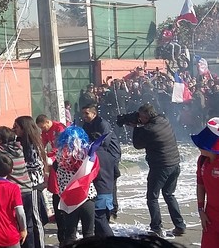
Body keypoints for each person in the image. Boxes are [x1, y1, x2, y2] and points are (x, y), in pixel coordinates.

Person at [129, 103, 186, 237]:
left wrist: (136, 127)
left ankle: (156, 228)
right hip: (174, 164)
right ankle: (180, 225)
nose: (140, 119)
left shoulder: (149, 129)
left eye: (142, 117)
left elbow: (137, 144)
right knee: (169, 194)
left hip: (161, 166)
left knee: (152, 197)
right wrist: (141, 124)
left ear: (147, 116)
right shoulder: (164, 120)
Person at [80, 104, 121, 237]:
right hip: (97, 154)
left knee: (108, 183)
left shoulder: (103, 124)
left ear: (94, 113)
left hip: (109, 154)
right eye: (83, 114)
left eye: (87, 113)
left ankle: (111, 209)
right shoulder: (85, 125)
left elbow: (104, 142)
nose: (84, 116)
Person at [55, 126, 97, 245]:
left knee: (70, 234)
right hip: (87, 196)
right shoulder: (88, 155)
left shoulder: (60, 156)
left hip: (69, 199)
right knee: (89, 234)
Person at [12, 116, 47, 248]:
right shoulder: (19, 141)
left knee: (35, 217)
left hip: (33, 185)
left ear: (24, 128)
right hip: (24, 185)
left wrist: (18, 165)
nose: (14, 129)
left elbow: (37, 164)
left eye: (16, 126)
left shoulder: (32, 144)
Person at [192, 118, 219, 247]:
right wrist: (200, 209)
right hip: (210, 216)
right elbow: (200, 184)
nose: (199, 146)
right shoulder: (202, 160)